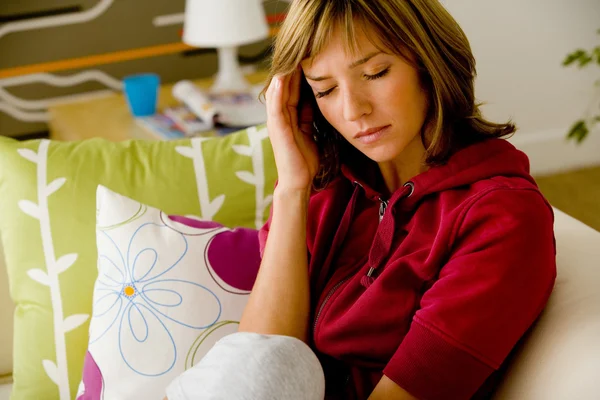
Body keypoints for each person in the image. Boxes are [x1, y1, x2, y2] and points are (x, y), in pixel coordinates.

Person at [165, 0, 557, 399]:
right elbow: (255, 367)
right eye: (326, 89)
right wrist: (291, 189)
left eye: (375, 73)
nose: (354, 110)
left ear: (431, 62)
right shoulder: (326, 191)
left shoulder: (503, 219)